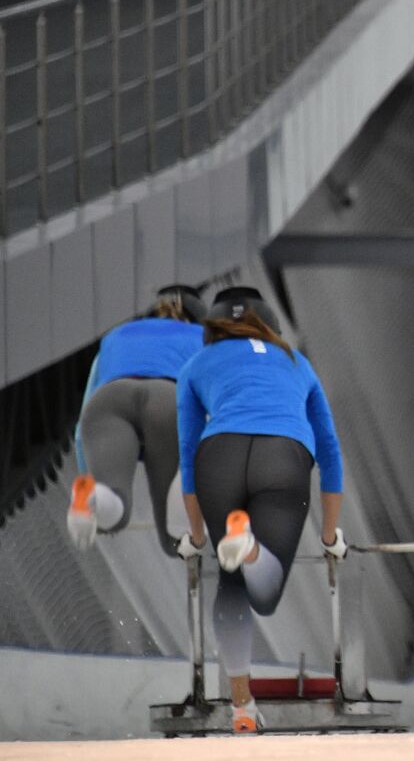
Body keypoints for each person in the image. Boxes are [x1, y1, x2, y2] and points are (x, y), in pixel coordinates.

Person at [174, 286, 348, 734]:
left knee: (229, 585)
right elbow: (329, 449)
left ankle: (242, 708)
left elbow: (188, 452)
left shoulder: (196, 365)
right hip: (283, 454)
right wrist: (330, 537)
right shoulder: (296, 362)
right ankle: (248, 546)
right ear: (269, 324)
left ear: (211, 326)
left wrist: (196, 539)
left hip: (219, 457)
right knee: (263, 595)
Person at [67, 285, 208, 555]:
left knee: (112, 508)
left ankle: (92, 496)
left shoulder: (115, 336)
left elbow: (79, 432)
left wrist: (89, 475)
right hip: (169, 401)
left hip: (108, 401)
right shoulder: (205, 338)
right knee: (176, 539)